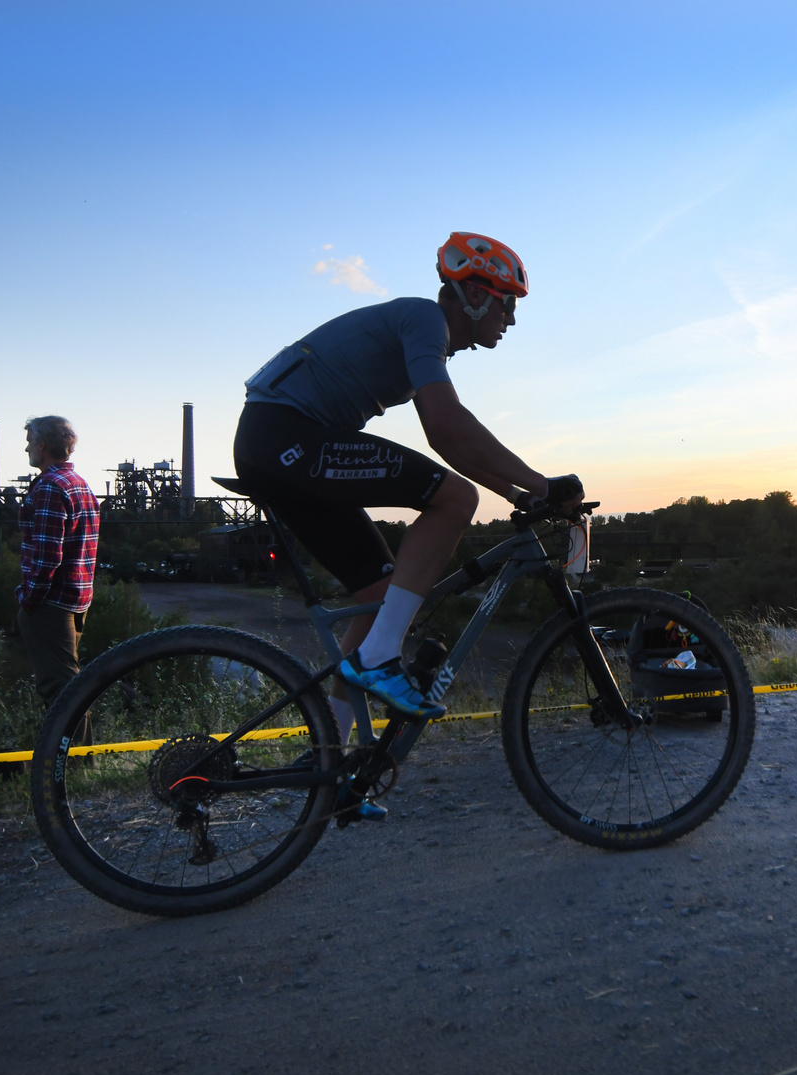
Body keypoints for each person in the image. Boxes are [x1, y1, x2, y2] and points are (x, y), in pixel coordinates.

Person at [233, 232, 582, 734]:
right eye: (508, 304)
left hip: (276, 441)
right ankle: (378, 660)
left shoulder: (425, 336)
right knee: (458, 498)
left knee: (379, 593)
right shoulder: (425, 319)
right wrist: (541, 484)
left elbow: (446, 441)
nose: (511, 319)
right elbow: (447, 423)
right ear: (477, 296)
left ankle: (334, 755)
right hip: (285, 434)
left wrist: (517, 492)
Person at [17, 415, 101, 708]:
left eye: (29, 443)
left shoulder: (50, 487)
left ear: (41, 445)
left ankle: (73, 755)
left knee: (62, 693)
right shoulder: (80, 484)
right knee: (70, 686)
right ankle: (76, 754)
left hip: (51, 604)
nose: (26, 449)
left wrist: (30, 600)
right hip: (78, 600)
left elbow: (47, 555)